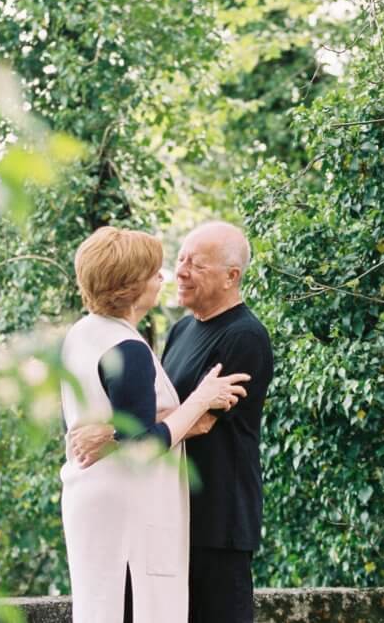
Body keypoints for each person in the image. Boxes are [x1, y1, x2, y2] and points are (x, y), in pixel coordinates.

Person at [71, 221, 274, 623]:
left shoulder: (244, 337)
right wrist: (124, 430)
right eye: (180, 259)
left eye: (195, 265)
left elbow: (200, 422)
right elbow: (166, 413)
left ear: (231, 277)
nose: (179, 271)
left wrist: (116, 433)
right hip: (168, 514)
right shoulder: (182, 329)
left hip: (216, 521)